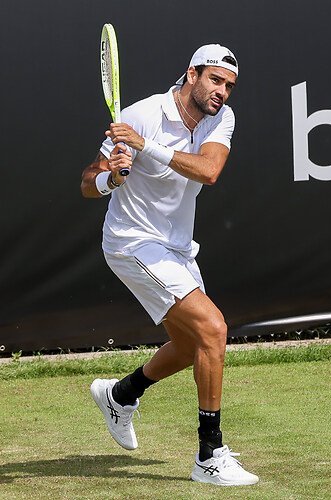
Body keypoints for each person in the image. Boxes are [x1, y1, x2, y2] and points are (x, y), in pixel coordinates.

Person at [81, 43, 258, 486]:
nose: (222, 92)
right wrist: (113, 175)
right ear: (192, 74)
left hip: (177, 248)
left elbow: (209, 171)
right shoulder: (142, 114)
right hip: (132, 242)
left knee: (190, 345)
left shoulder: (221, 118)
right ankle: (209, 455)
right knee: (213, 330)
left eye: (229, 86)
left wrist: (146, 149)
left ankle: (121, 394)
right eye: (215, 80)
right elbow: (88, 181)